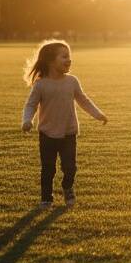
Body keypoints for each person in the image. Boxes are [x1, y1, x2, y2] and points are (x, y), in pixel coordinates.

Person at [22, 39, 108, 207]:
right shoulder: (41, 84)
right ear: (50, 61)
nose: (69, 60)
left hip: (69, 133)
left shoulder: (72, 81)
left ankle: (67, 187)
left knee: (70, 168)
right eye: (64, 56)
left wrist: (98, 114)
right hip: (47, 134)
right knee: (48, 169)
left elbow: (83, 100)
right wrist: (27, 120)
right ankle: (46, 198)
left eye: (69, 56)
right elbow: (31, 104)